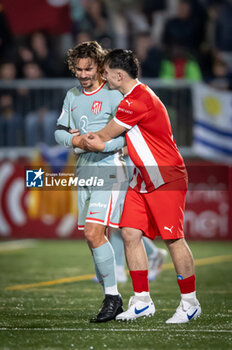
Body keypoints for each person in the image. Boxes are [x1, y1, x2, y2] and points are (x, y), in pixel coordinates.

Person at [80, 48, 201, 324]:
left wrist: (77, 139)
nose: (103, 76)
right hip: (142, 178)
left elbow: (103, 136)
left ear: (119, 75)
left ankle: (190, 303)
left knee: (173, 239)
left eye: (106, 72)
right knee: (130, 233)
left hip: (165, 177)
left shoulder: (135, 101)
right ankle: (142, 301)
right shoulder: (134, 96)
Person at [55, 41, 127, 323]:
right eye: (78, 69)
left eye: (89, 69)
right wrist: (76, 140)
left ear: (99, 67)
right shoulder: (72, 95)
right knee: (93, 239)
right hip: (83, 172)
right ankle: (112, 295)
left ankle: (112, 298)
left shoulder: (112, 94)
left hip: (109, 170)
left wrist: (101, 145)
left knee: (94, 234)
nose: (83, 75)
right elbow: (59, 132)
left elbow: (124, 135)